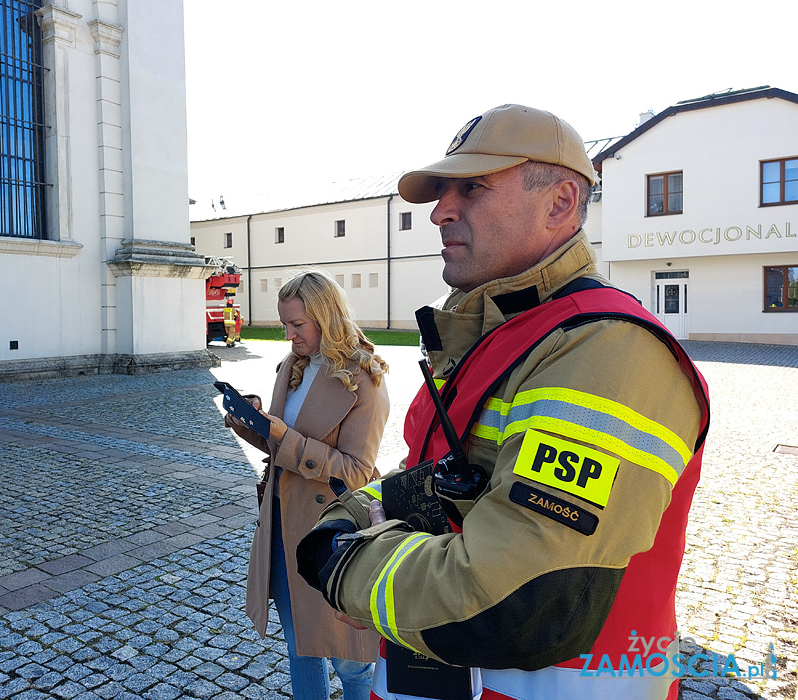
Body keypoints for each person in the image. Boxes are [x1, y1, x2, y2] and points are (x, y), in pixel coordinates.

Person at [296, 104, 711, 700]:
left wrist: (344, 567)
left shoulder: (607, 351)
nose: (440, 212)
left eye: (473, 188)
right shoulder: (504, 336)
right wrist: (355, 514)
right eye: (442, 192)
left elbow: (515, 601)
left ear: (560, 203)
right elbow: (430, 480)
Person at [226, 270, 390, 700]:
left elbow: (356, 472)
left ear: (326, 316)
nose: (289, 334)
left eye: (297, 324)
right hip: (282, 525)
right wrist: (251, 423)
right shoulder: (291, 368)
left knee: (352, 660)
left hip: (332, 534)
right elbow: (280, 445)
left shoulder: (365, 378)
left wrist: (285, 437)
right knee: (300, 647)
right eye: (284, 324)